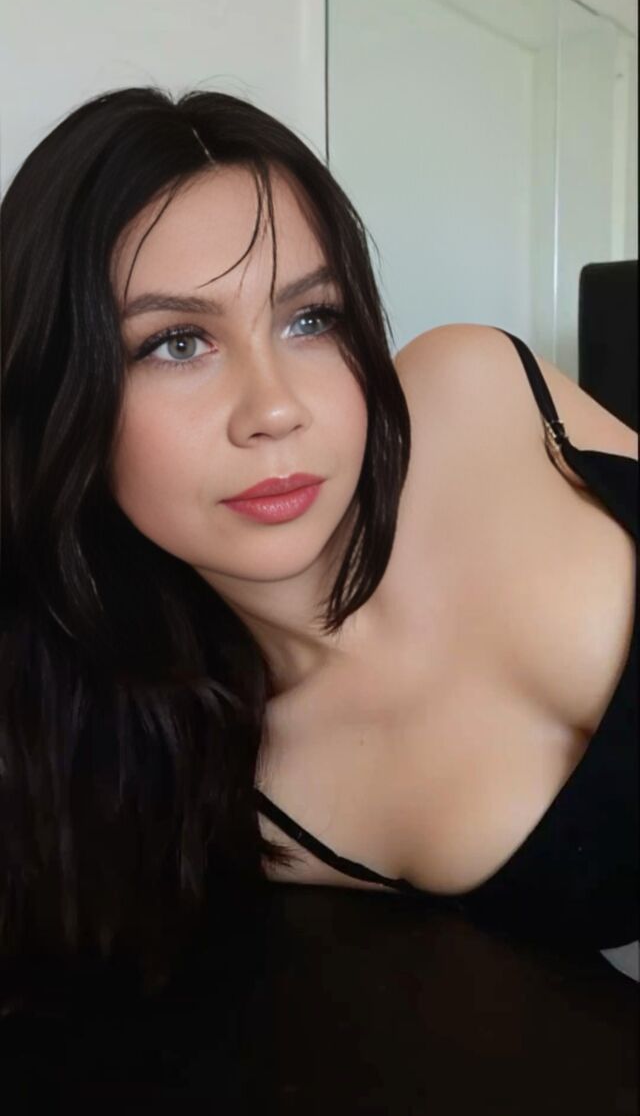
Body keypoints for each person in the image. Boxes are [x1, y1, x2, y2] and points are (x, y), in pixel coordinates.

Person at [1, 88, 637, 1009]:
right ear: (61, 401)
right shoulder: (260, 806)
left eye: (311, 319)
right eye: (176, 343)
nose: (274, 409)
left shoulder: (479, 392)